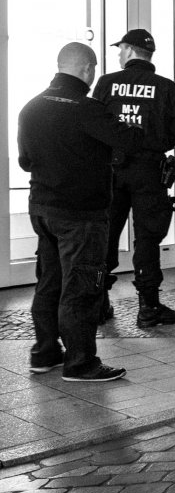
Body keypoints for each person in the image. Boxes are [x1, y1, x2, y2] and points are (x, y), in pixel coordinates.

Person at [20, 42, 152, 381]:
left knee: (50, 282)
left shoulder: (31, 108)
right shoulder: (87, 109)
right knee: (81, 287)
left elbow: (24, 161)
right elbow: (132, 141)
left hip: (43, 210)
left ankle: (45, 352)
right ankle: (80, 363)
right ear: (87, 70)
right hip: (81, 215)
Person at [91, 28, 175, 329]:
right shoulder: (166, 87)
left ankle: (98, 303)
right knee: (147, 238)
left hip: (112, 170)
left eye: (121, 49)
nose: (119, 54)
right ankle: (148, 308)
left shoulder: (107, 83)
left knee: (106, 235)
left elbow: (94, 124)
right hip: (150, 172)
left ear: (131, 50)